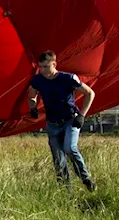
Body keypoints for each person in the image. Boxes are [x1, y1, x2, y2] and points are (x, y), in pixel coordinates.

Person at [27, 50, 97, 191]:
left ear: (54, 64)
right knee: (58, 159)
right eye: (41, 67)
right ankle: (66, 191)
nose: (43, 70)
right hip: (52, 124)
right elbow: (32, 95)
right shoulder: (38, 80)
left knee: (69, 148)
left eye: (46, 66)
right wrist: (33, 107)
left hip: (70, 120)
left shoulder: (68, 78)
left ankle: (85, 178)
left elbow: (90, 93)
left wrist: (82, 115)